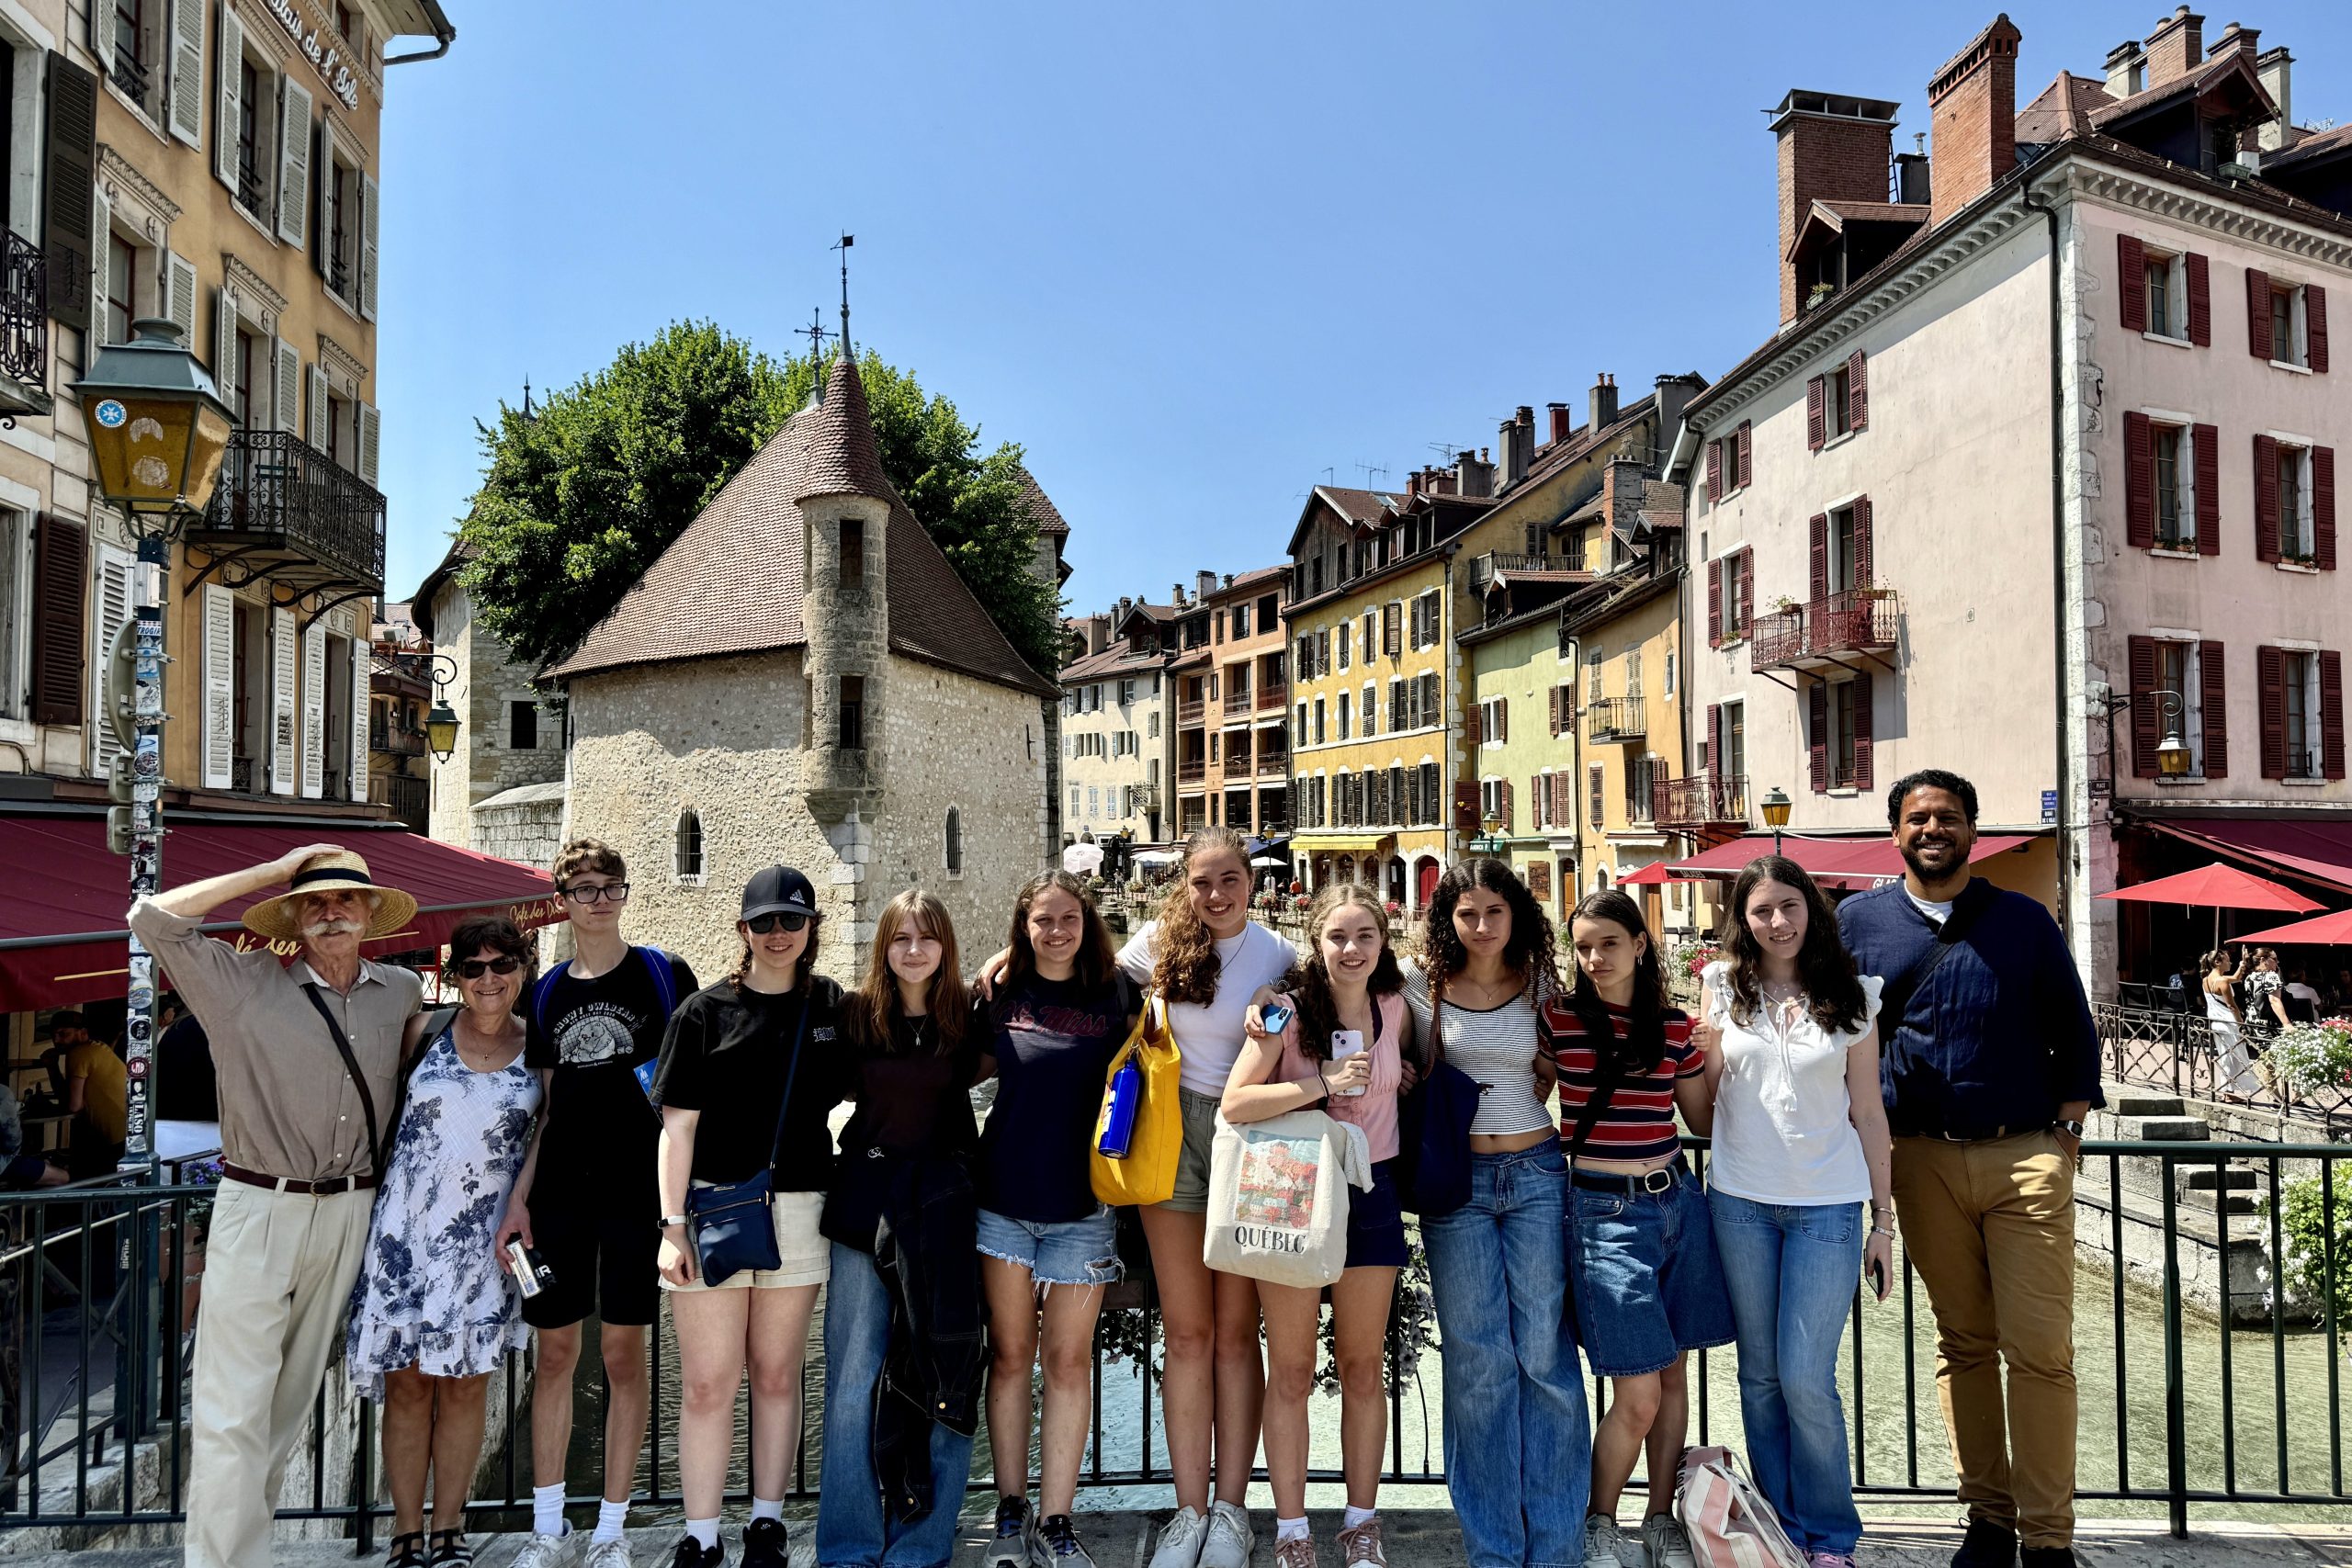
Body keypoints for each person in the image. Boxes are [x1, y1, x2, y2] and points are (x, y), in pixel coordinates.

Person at [985, 825, 1293, 1568]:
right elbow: (1075, 964)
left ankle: (1230, 1510)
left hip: (1247, 1139)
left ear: (1250, 883)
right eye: (1202, 881)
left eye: (1229, 880)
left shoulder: (1281, 954)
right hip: (1166, 1137)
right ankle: (1189, 1511)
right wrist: (1006, 957)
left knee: (1233, 1328)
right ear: (1183, 886)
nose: (1215, 894)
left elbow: (1355, 992)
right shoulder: (1153, 944)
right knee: (1187, 1332)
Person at [125, 844, 424, 1568]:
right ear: (293, 915)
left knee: (286, 1411)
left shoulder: (402, 992)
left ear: (368, 915)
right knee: (231, 1412)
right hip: (259, 1204)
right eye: (314, 900)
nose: (330, 912)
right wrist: (278, 866)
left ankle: (243, 1554)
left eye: (344, 900)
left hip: (352, 1212)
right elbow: (151, 918)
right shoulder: (241, 982)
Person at [1838, 770, 2099, 1568]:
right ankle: (1988, 1521)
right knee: (1964, 1343)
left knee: (2042, 1350)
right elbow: (1823, 1029)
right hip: (1918, 1161)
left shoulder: (2022, 920)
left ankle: (2048, 1538)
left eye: (1948, 816)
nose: (1932, 828)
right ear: (1895, 833)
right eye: (1917, 817)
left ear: (1972, 831)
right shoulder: (1857, 922)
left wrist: (2062, 1132)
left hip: (2022, 1154)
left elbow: (2074, 1032)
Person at [1691, 859, 1894, 1568]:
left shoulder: (1855, 995)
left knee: (1806, 1375)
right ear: (1742, 921)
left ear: (1810, 906)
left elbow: (1869, 1113)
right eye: (1761, 911)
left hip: (1828, 1206)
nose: (1777, 921)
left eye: (1788, 905)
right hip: (1740, 1199)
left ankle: (1831, 1533)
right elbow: (1706, 1099)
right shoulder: (1722, 988)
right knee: (1760, 1375)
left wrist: (1883, 1222)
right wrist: (1694, 1056)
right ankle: (1780, 1523)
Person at [506, 840, 698, 1568]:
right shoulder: (547, 990)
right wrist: (520, 1202)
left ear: (625, 893)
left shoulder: (661, 973)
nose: (597, 900)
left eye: (609, 886)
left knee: (622, 1354)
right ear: (564, 899)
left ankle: (611, 1529)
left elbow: (690, 1090)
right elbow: (546, 1110)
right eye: (583, 889)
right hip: (559, 1194)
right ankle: (548, 1527)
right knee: (555, 1353)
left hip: (634, 1196)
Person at [1400, 858, 1591, 1568]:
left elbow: (1566, 1061)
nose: (1481, 926)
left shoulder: (1543, 985)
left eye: (1494, 912)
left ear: (1516, 914)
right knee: (1480, 1363)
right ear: (1447, 920)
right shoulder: (1422, 988)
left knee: (1544, 1355)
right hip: (1458, 1183)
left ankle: (1557, 1546)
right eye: (1467, 914)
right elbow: (1349, 1007)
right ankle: (1494, 1549)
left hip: (1538, 1172)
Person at [653, 867, 842, 1568]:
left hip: (799, 1209)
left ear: (810, 928)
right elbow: (677, 1127)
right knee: (707, 1382)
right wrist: (671, 1227)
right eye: (764, 922)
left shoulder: (830, 1008)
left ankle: (767, 1524)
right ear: (743, 930)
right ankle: (701, 1534)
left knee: (776, 1372)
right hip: (713, 1209)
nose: (778, 934)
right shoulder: (702, 1014)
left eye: (791, 921)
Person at [346, 916, 547, 1568]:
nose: (488, 978)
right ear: (455, 975)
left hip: (484, 1242)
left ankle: (451, 1530)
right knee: (407, 1385)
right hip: (406, 1237)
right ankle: (407, 1533)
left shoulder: (540, 1048)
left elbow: (548, 1136)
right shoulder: (422, 1032)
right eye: (473, 966)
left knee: (464, 1386)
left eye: (502, 964)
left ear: (522, 968)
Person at [1227, 884, 1410, 1568]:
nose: (1351, 948)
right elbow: (1237, 1102)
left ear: (1383, 941)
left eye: (1364, 935)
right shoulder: (1283, 1012)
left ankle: (1362, 1525)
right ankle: (1294, 1528)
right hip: (1297, 1188)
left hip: (1374, 1189)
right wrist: (1322, 1082)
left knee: (1364, 1367)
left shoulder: (1397, 1008)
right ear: (1316, 939)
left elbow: (1409, 1073)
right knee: (1294, 1369)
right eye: (1338, 935)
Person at [1548, 887, 1731, 1568]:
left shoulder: (1674, 1025)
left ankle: (1659, 1520)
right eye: (1584, 945)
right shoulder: (1558, 1018)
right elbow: (1522, 1085)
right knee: (1640, 1391)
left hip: (1678, 1204)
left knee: (1675, 1376)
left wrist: (1713, 1050)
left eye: (1609, 943)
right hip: (1602, 1213)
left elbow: (1704, 1121)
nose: (1595, 957)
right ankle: (1601, 1521)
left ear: (1640, 944)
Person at [818, 889, 994, 1568]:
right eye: (900, 938)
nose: (914, 949)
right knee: (853, 1378)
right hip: (867, 1202)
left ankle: (921, 1544)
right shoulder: (856, 1016)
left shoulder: (967, 1018)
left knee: (947, 1369)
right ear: (882, 947)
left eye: (927, 937)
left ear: (945, 946)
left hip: (945, 1206)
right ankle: (849, 1542)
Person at [978, 872, 1140, 1568]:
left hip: (1083, 1208)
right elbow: (953, 1062)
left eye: (1068, 918)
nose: (1056, 930)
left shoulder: (1118, 993)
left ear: (1087, 921)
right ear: (1024, 924)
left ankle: (1057, 1518)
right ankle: (1010, 1511)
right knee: (1012, 1357)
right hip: (1003, 1203)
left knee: (1068, 1362)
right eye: (1042, 919)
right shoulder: (996, 992)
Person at [59, 1011, 129, 1177]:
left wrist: (51, 1067)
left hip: (116, 1138)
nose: (57, 1040)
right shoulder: (99, 1047)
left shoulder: (78, 1053)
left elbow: (74, 1105)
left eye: (63, 1034)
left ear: (82, 1033)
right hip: (132, 1129)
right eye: (53, 1035)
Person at [2203, 948, 2256, 1101]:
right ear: (2218, 962)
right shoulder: (2223, 982)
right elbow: (2232, 1006)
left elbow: (2236, 977)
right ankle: (2229, 1092)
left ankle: (2227, 1091)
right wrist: (2241, 1023)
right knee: (2236, 1057)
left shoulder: (2206, 979)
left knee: (2226, 1056)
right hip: (2228, 1022)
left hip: (2216, 1021)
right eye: (2227, 960)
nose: (2229, 962)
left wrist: (2243, 962)